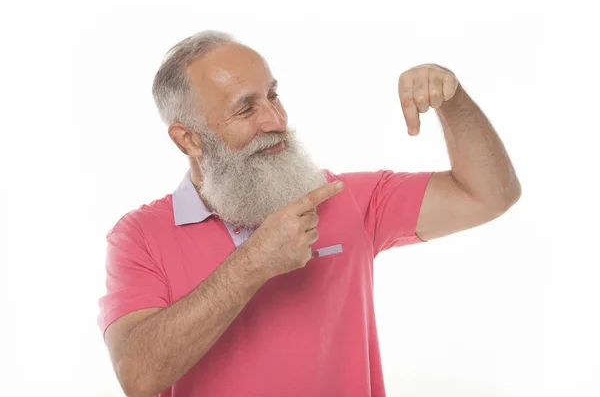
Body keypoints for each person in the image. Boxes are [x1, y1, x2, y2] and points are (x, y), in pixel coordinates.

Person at [97, 30, 521, 397]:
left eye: (273, 96)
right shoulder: (139, 235)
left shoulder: (342, 196)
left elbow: (488, 195)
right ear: (188, 140)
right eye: (246, 109)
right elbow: (138, 374)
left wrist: (452, 99)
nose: (276, 120)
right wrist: (254, 263)